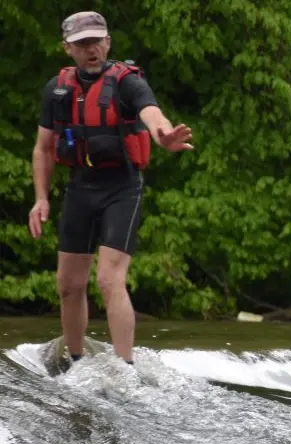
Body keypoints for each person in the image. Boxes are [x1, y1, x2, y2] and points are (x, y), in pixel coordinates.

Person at [27, 11, 194, 369]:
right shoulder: (57, 90)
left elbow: (152, 114)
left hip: (122, 188)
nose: (92, 49)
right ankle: (74, 363)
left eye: (97, 40)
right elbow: (43, 148)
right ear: (68, 49)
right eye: (82, 43)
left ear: (108, 42)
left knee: (108, 279)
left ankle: (125, 369)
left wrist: (163, 135)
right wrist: (41, 198)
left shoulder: (127, 82)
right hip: (80, 187)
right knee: (69, 285)